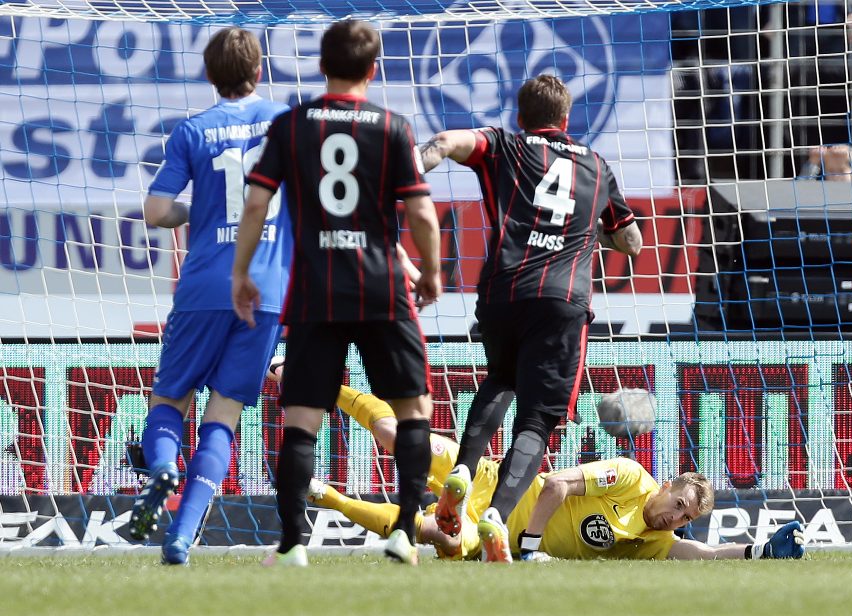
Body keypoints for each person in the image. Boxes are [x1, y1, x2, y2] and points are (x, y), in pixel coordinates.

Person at [232, 19, 442, 567]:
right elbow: (419, 210)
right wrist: (435, 271)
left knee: (301, 418)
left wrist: (242, 272)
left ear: (321, 66)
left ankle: (293, 543)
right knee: (414, 411)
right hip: (382, 289)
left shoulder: (292, 125)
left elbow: (256, 204)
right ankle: (403, 533)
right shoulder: (393, 126)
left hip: (316, 290)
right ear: (374, 69)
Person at [417, 74, 643, 562]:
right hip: (562, 302)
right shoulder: (597, 166)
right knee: (537, 421)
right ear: (566, 119)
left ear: (520, 118)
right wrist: (591, 232)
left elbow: (443, 142)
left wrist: (409, 170)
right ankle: (496, 515)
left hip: (503, 291)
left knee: (500, 377)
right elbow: (631, 241)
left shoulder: (503, 146)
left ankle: (463, 469)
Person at [265, 363, 805, 562]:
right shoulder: (633, 479)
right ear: (667, 485)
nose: (675, 517)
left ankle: (324, 496)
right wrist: (527, 550)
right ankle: (313, 379)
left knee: (437, 536)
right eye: (679, 504)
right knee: (393, 435)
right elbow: (558, 485)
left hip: (487, 534)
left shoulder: (654, 542)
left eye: (684, 517)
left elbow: (700, 550)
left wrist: (757, 551)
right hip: (493, 482)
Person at [127, 27, 292, 566]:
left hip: (203, 286)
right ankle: (182, 534)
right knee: (223, 415)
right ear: (259, 69)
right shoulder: (288, 124)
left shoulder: (193, 130)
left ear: (209, 75)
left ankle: (161, 468)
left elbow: (155, 212)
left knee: (170, 400)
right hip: (265, 291)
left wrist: (202, 214)